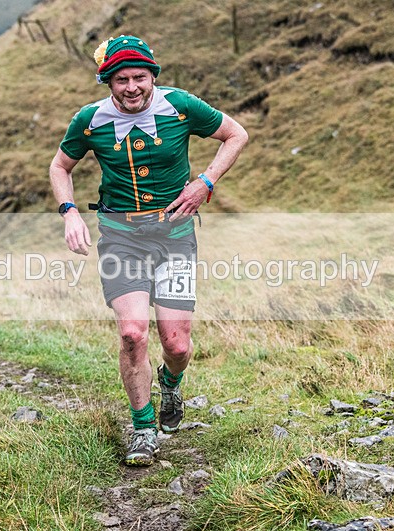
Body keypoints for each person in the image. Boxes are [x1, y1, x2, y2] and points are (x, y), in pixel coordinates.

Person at [49, 35, 248, 466]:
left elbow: (235, 135)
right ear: (108, 82)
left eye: (140, 77)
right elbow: (60, 165)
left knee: (176, 344)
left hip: (175, 238)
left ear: (152, 76)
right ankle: (143, 429)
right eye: (121, 79)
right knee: (132, 332)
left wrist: (205, 182)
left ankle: (171, 384)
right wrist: (69, 212)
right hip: (121, 237)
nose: (132, 86)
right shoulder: (89, 120)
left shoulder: (180, 106)